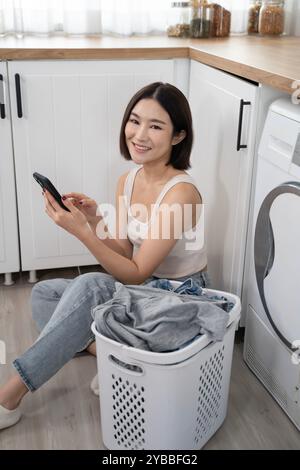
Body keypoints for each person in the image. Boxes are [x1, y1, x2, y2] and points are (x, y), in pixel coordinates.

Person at [0, 82, 207, 431]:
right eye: (135, 121)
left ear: (177, 137)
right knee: (44, 294)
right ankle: (111, 357)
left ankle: (10, 396)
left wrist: (81, 231)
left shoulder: (182, 194)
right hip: (144, 292)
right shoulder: (128, 180)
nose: (139, 135)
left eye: (155, 126)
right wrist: (95, 220)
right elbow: (125, 252)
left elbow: (136, 273)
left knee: (91, 286)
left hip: (176, 299)